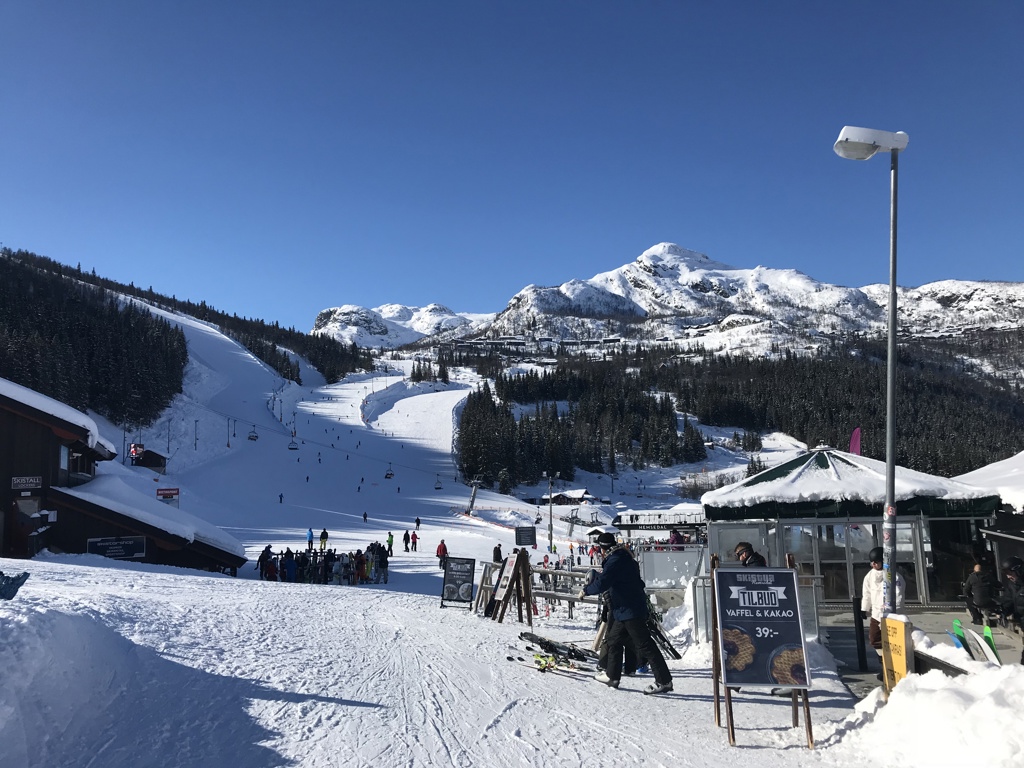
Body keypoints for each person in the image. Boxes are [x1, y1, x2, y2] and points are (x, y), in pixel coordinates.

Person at [581, 532, 673, 695]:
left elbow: (603, 583)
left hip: (630, 609)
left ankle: (664, 681)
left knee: (645, 644)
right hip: (624, 609)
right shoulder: (623, 557)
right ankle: (612, 676)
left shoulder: (615, 561)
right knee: (613, 640)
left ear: (603, 548)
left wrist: (585, 590)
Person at [861, 546, 906, 659]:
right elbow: (867, 593)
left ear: (883, 561)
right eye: (872, 562)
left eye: (876, 562)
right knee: (874, 639)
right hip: (876, 614)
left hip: (891, 615)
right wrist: (864, 608)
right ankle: (883, 660)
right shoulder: (869, 576)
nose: (873, 564)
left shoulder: (894, 577)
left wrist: (895, 613)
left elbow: (899, 597)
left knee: (893, 641)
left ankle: (894, 661)